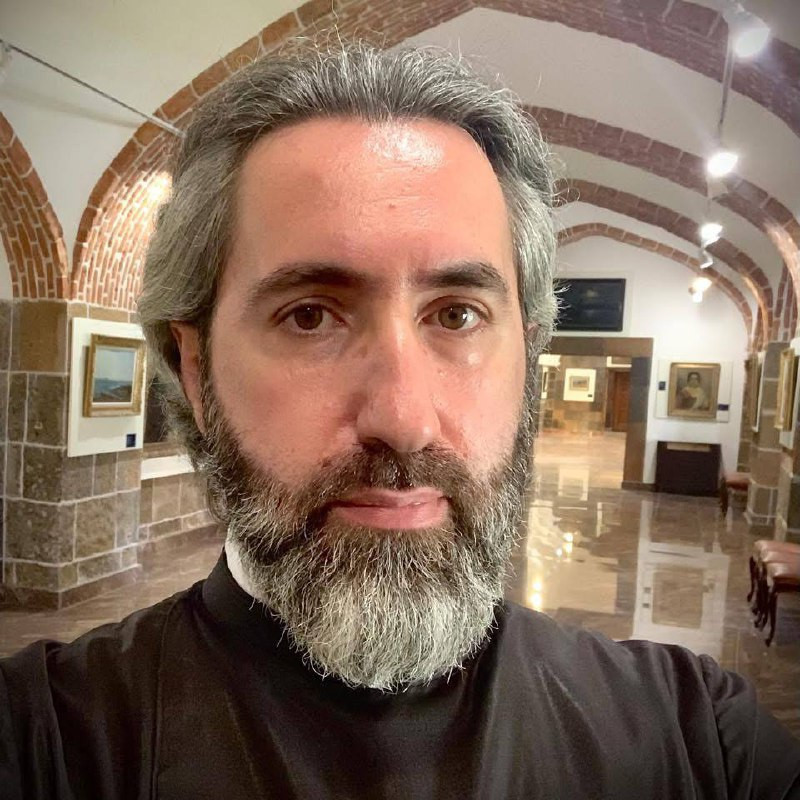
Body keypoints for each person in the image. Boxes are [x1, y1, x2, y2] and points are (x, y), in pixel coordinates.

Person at [1, 41, 799, 799]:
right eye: (310, 315)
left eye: (456, 315)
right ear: (196, 370)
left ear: (528, 359)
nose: (404, 420)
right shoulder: (47, 742)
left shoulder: (694, 740)